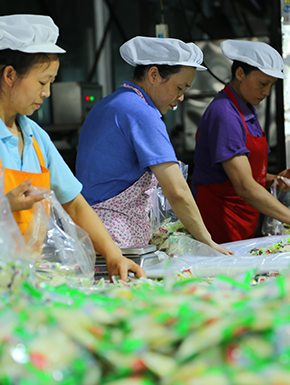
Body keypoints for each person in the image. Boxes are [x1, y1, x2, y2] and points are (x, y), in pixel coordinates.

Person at [0, 14, 144, 281]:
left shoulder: (35, 136)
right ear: (10, 75)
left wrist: (113, 254)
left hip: (25, 281)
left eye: (50, 82)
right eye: (42, 82)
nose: (47, 92)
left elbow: (74, 204)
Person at [76, 36, 232, 255]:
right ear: (154, 74)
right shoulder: (141, 112)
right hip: (114, 235)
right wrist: (207, 241)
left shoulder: (110, 103)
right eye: (180, 87)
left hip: (92, 230)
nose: (181, 97)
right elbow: (176, 190)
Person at [192, 40, 290, 244]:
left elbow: (243, 172)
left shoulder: (246, 109)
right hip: (221, 217)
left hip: (243, 215)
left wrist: (273, 180)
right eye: (263, 83)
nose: (267, 92)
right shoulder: (225, 114)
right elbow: (243, 185)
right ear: (240, 74)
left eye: (271, 85)